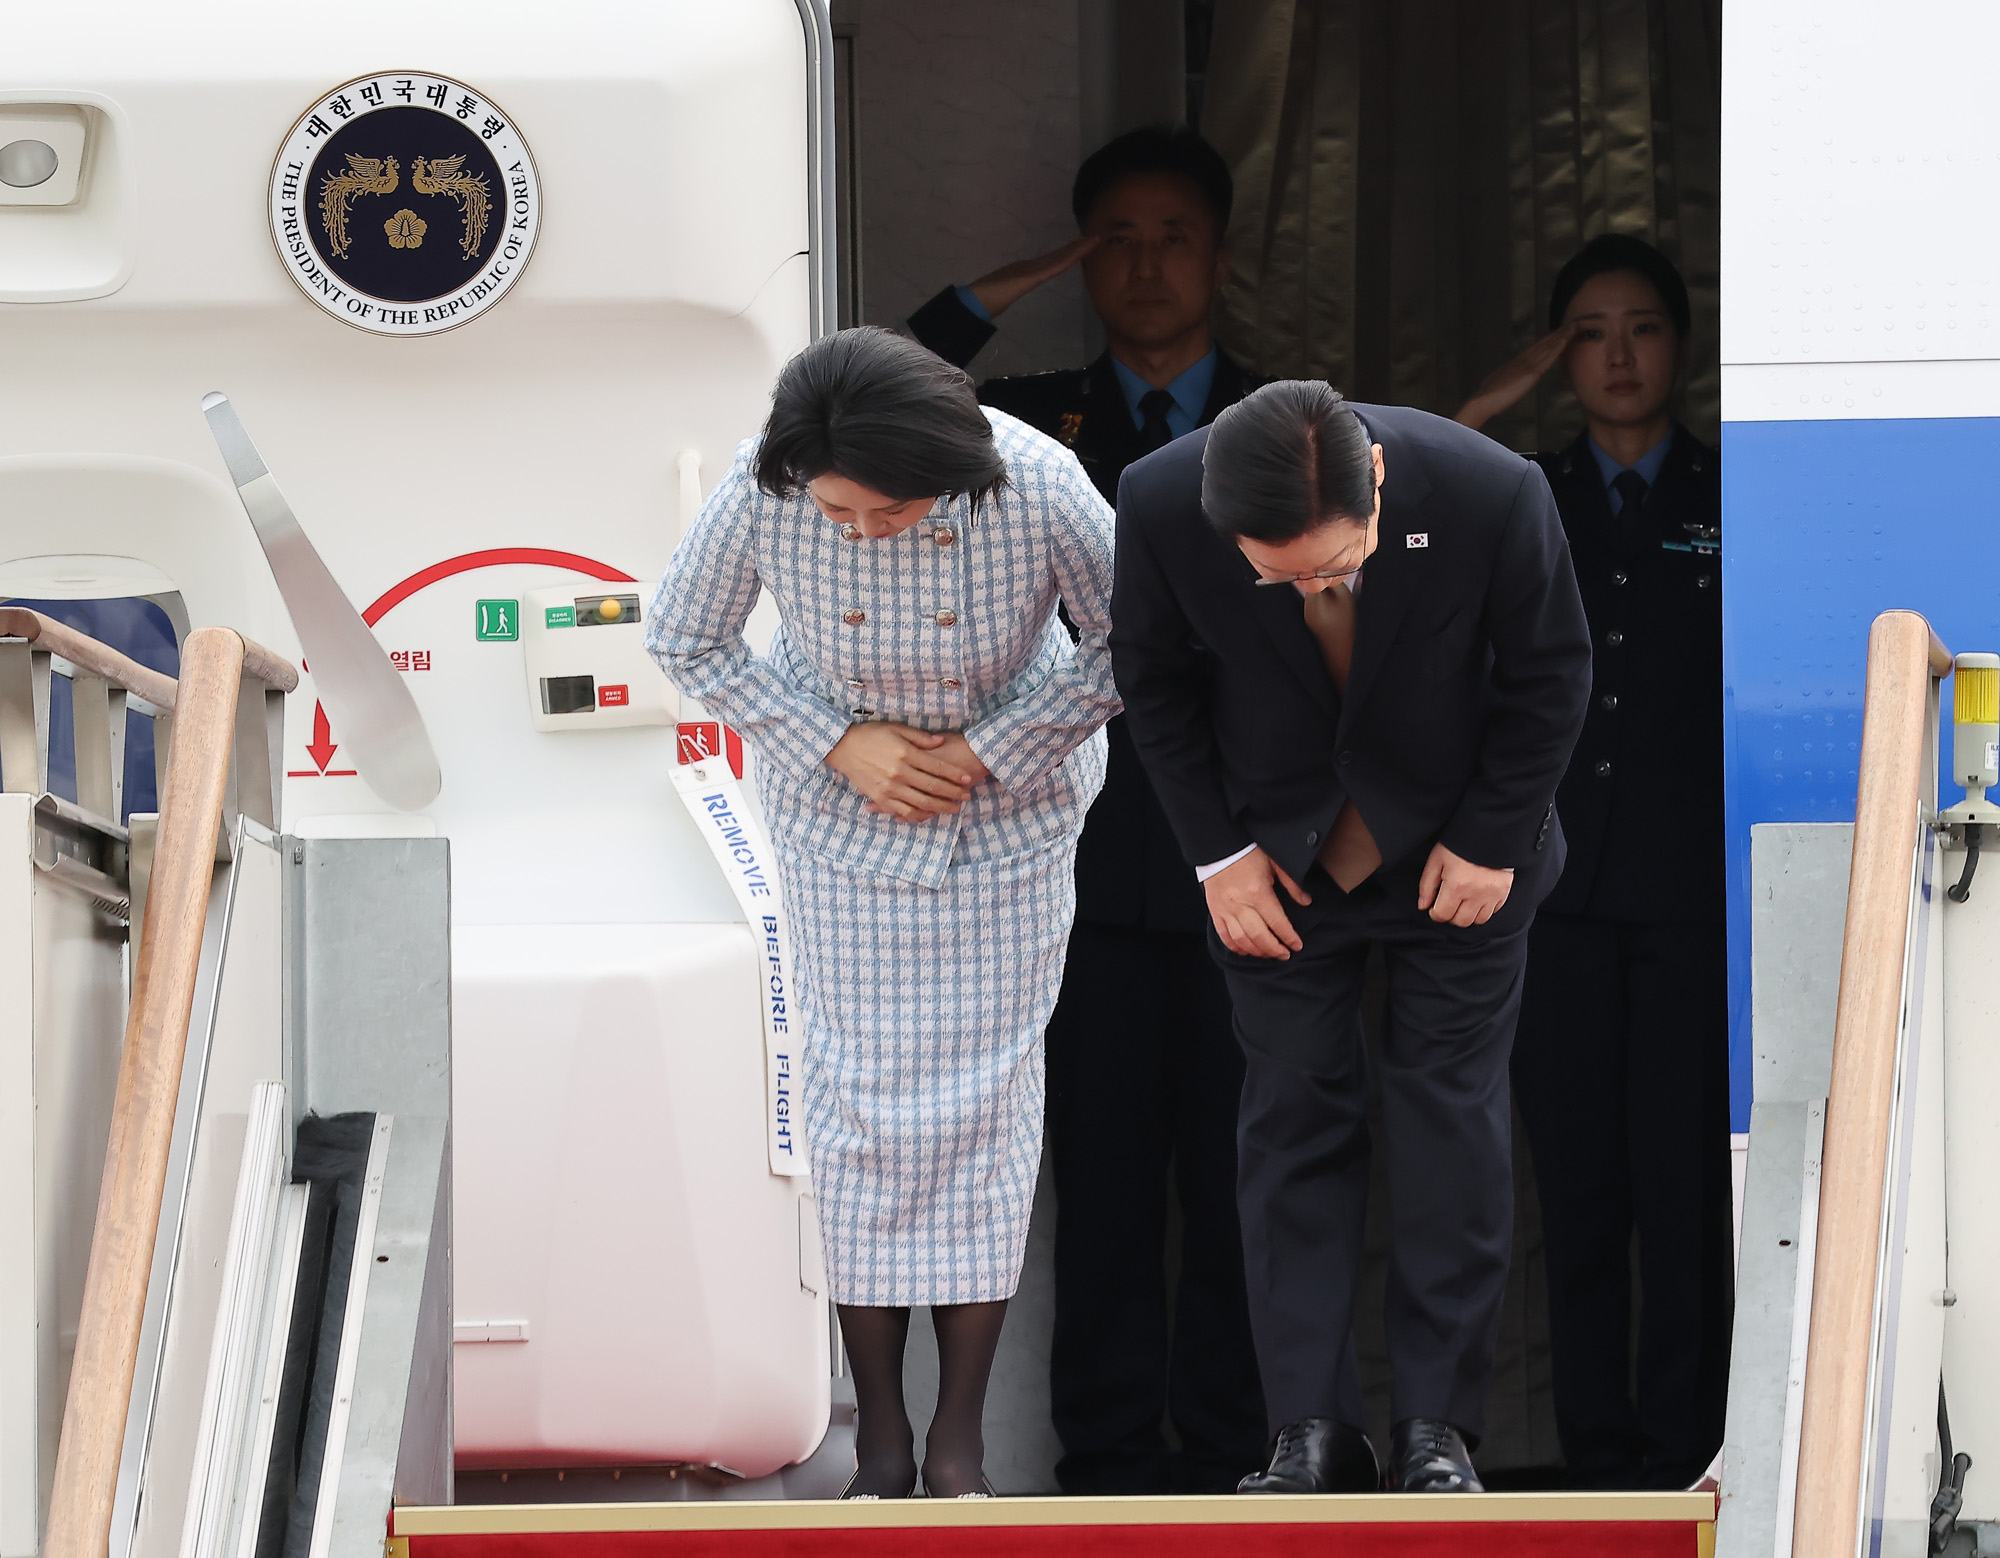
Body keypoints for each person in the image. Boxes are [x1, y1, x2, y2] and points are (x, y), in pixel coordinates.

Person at [645, 328, 1120, 1499]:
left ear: (945, 477)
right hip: (837, 823)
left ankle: (955, 1442)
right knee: (853, 1110)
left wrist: (989, 748)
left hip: (1004, 822)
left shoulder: (1040, 481)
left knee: (987, 1111)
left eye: (880, 515)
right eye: (837, 514)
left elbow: (1135, 641)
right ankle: (880, 1439)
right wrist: (838, 742)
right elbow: (682, 634)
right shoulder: (769, 481)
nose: (854, 531)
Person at [1110, 381, 1591, 1495]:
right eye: (1282, 578)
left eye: (1336, 564)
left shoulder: (1491, 489)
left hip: (1453, 855)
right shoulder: (1155, 498)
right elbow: (1154, 682)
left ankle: (1437, 1428)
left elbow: (1549, 674)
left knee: (1448, 1122)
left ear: (1374, 481)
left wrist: (1490, 840)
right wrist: (1215, 855)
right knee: (1288, 1130)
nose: (1316, 588)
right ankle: (1308, 1430)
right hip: (1273, 864)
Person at [903, 126, 1271, 1498]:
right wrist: (1009, 284)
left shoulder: (1286, 419)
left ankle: (1245, 1449)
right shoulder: (1031, 417)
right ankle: (1111, 1456)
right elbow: (874, 387)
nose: (1145, 263)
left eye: (1173, 234)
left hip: (1253, 856)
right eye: (1113, 237)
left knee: (1251, 1175)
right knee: (1104, 1182)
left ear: (1221, 258)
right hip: (1075, 864)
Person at [1455, 233, 1732, 1490]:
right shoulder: (1520, 490)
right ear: (1555, 353)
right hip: (1549, 892)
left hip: (1690, 895)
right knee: (1575, 1185)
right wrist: (1491, 399)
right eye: (1587, 331)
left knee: (1684, 1186)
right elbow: (1402, 484)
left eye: (1642, 328)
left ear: (1680, 346)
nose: (1617, 356)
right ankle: (1596, 1451)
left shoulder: (1733, 499)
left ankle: (1686, 1446)